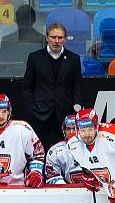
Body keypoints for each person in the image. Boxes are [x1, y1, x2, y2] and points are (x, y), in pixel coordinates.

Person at [22, 23, 83, 151]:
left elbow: (77, 86)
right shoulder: (35, 58)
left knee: (66, 150)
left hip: (64, 114)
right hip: (39, 114)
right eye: (53, 37)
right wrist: (31, 109)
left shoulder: (73, 59)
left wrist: (75, 110)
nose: (56, 41)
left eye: (60, 38)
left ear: (65, 39)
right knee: (38, 150)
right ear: (47, 37)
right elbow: (27, 86)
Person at [0, 94, 45, 187]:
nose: (1, 116)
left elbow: (37, 154)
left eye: (4, 111)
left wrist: (36, 172)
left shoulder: (23, 129)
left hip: (18, 187)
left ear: (9, 111)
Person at [45, 115, 85, 185]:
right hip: (68, 192)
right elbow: (52, 177)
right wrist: (68, 189)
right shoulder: (55, 151)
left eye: (74, 128)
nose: (71, 132)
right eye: (68, 129)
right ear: (64, 131)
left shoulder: (94, 147)